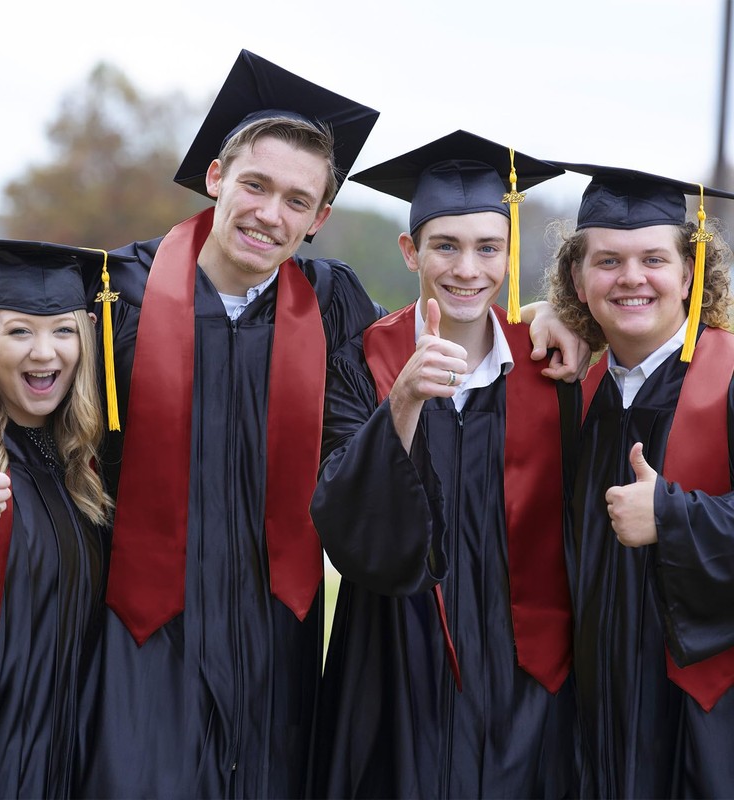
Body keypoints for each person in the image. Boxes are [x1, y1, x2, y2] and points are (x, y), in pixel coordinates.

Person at [76, 49, 383, 800]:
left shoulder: (332, 303)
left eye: (295, 200)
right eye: (255, 184)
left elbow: (414, 370)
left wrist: (548, 323)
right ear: (217, 178)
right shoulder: (120, 292)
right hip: (141, 628)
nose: (269, 214)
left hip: (277, 634)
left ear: (319, 219)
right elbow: (15, 372)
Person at [309, 130, 580, 799]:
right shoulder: (361, 362)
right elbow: (343, 521)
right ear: (412, 251)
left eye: (488, 247)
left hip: (525, 682)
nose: (468, 268)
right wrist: (402, 398)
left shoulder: (554, 368)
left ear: (509, 252)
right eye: (446, 246)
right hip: (394, 672)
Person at [545, 163, 734, 798]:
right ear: (577, 277)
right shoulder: (577, 392)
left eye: (653, 258)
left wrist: (673, 516)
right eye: (608, 261)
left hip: (705, 723)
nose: (631, 278)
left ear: (689, 271)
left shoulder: (729, 379)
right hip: (598, 718)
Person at [0, 238, 125, 798]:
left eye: (63, 331)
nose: (45, 353)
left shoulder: (82, 459)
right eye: (20, 331)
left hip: (59, 750)